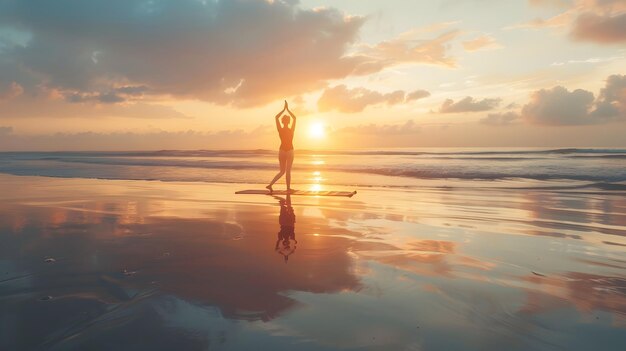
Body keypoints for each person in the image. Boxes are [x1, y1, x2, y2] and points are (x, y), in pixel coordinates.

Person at [266, 100, 296, 193]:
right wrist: (288, 109)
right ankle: (288, 188)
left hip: (282, 151)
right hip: (290, 151)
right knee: (287, 171)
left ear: (283, 122)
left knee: (282, 171)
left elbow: (276, 117)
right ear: (289, 121)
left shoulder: (280, 129)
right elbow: (294, 118)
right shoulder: (291, 130)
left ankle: (270, 185)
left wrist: (283, 110)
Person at [274, 194, 296, 263]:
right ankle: (287, 198)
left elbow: (277, 246)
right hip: (288, 223)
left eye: (285, 244)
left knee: (284, 210)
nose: (287, 244)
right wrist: (287, 255)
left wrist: (284, 254)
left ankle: (284, 202)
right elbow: (294, 237)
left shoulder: (282, 237)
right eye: (288, 244)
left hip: (285, 223)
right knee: (289, 209)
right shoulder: (290, 237)